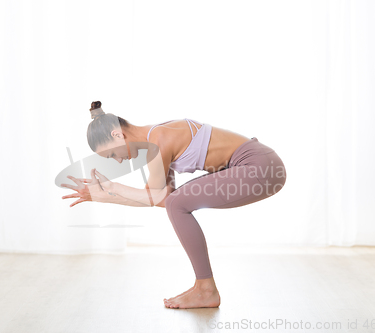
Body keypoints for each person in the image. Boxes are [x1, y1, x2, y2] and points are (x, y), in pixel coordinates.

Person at [61, 101, 287, 309]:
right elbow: (164, 200)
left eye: (111, 154)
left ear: (117, 134)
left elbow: (157, 197)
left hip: (259, 167)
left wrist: (112, 189)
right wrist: (105, 195)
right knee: (177, 203)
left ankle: (206, 289)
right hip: (262, 165)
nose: (118, 160)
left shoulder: (158, 141)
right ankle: (204, 287)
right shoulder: (155, 137)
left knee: (178, 203)